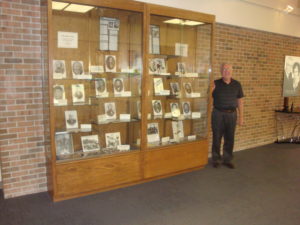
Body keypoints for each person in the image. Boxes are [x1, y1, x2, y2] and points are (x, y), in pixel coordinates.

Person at [211, 63, 244, 169]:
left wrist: (241, 117)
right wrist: (210, 90)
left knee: (230, 138)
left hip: (232, 114)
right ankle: (216, 159)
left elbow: (240, 101)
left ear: (232, 71)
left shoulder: (237, 85)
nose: (226, 71)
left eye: (228, 69)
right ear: (221, 71)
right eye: (224, 69)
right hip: (218, 114)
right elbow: (208, 97)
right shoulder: (215, 83)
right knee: (217, 137)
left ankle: (227, 159)